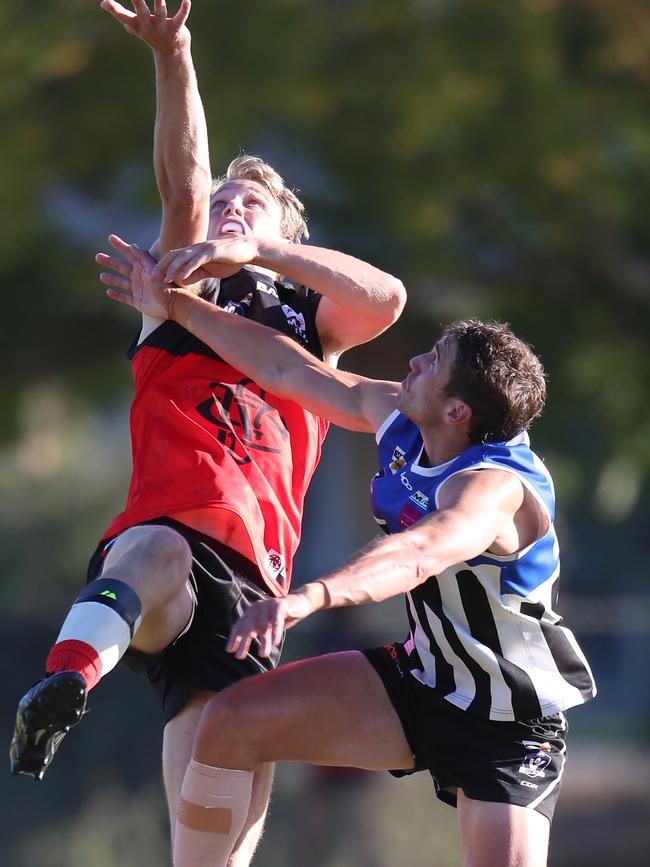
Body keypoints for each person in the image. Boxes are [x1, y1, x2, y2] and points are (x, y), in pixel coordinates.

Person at [9, 3, 406, 866]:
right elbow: (185, 182)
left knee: (213, 839)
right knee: (148, 550)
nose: (227, 206)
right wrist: (174, 56)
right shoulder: (175, 295)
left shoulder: (307, 319)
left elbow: (385, 300)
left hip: (253, 586)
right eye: (225, 199)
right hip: (171, 544)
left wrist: (265, 249)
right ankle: (64, 680)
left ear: (281, 230)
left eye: (250, 201)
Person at [96, 244, 596, 867]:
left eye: (431, 361)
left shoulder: (492, 487)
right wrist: (174, 307)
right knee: (227, 722)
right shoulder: (408, 420)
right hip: (421, 679)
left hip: (507, 721)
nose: (412, 361)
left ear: (458, 411)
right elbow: (287, 371)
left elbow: (418, 553)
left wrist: (310, 596)